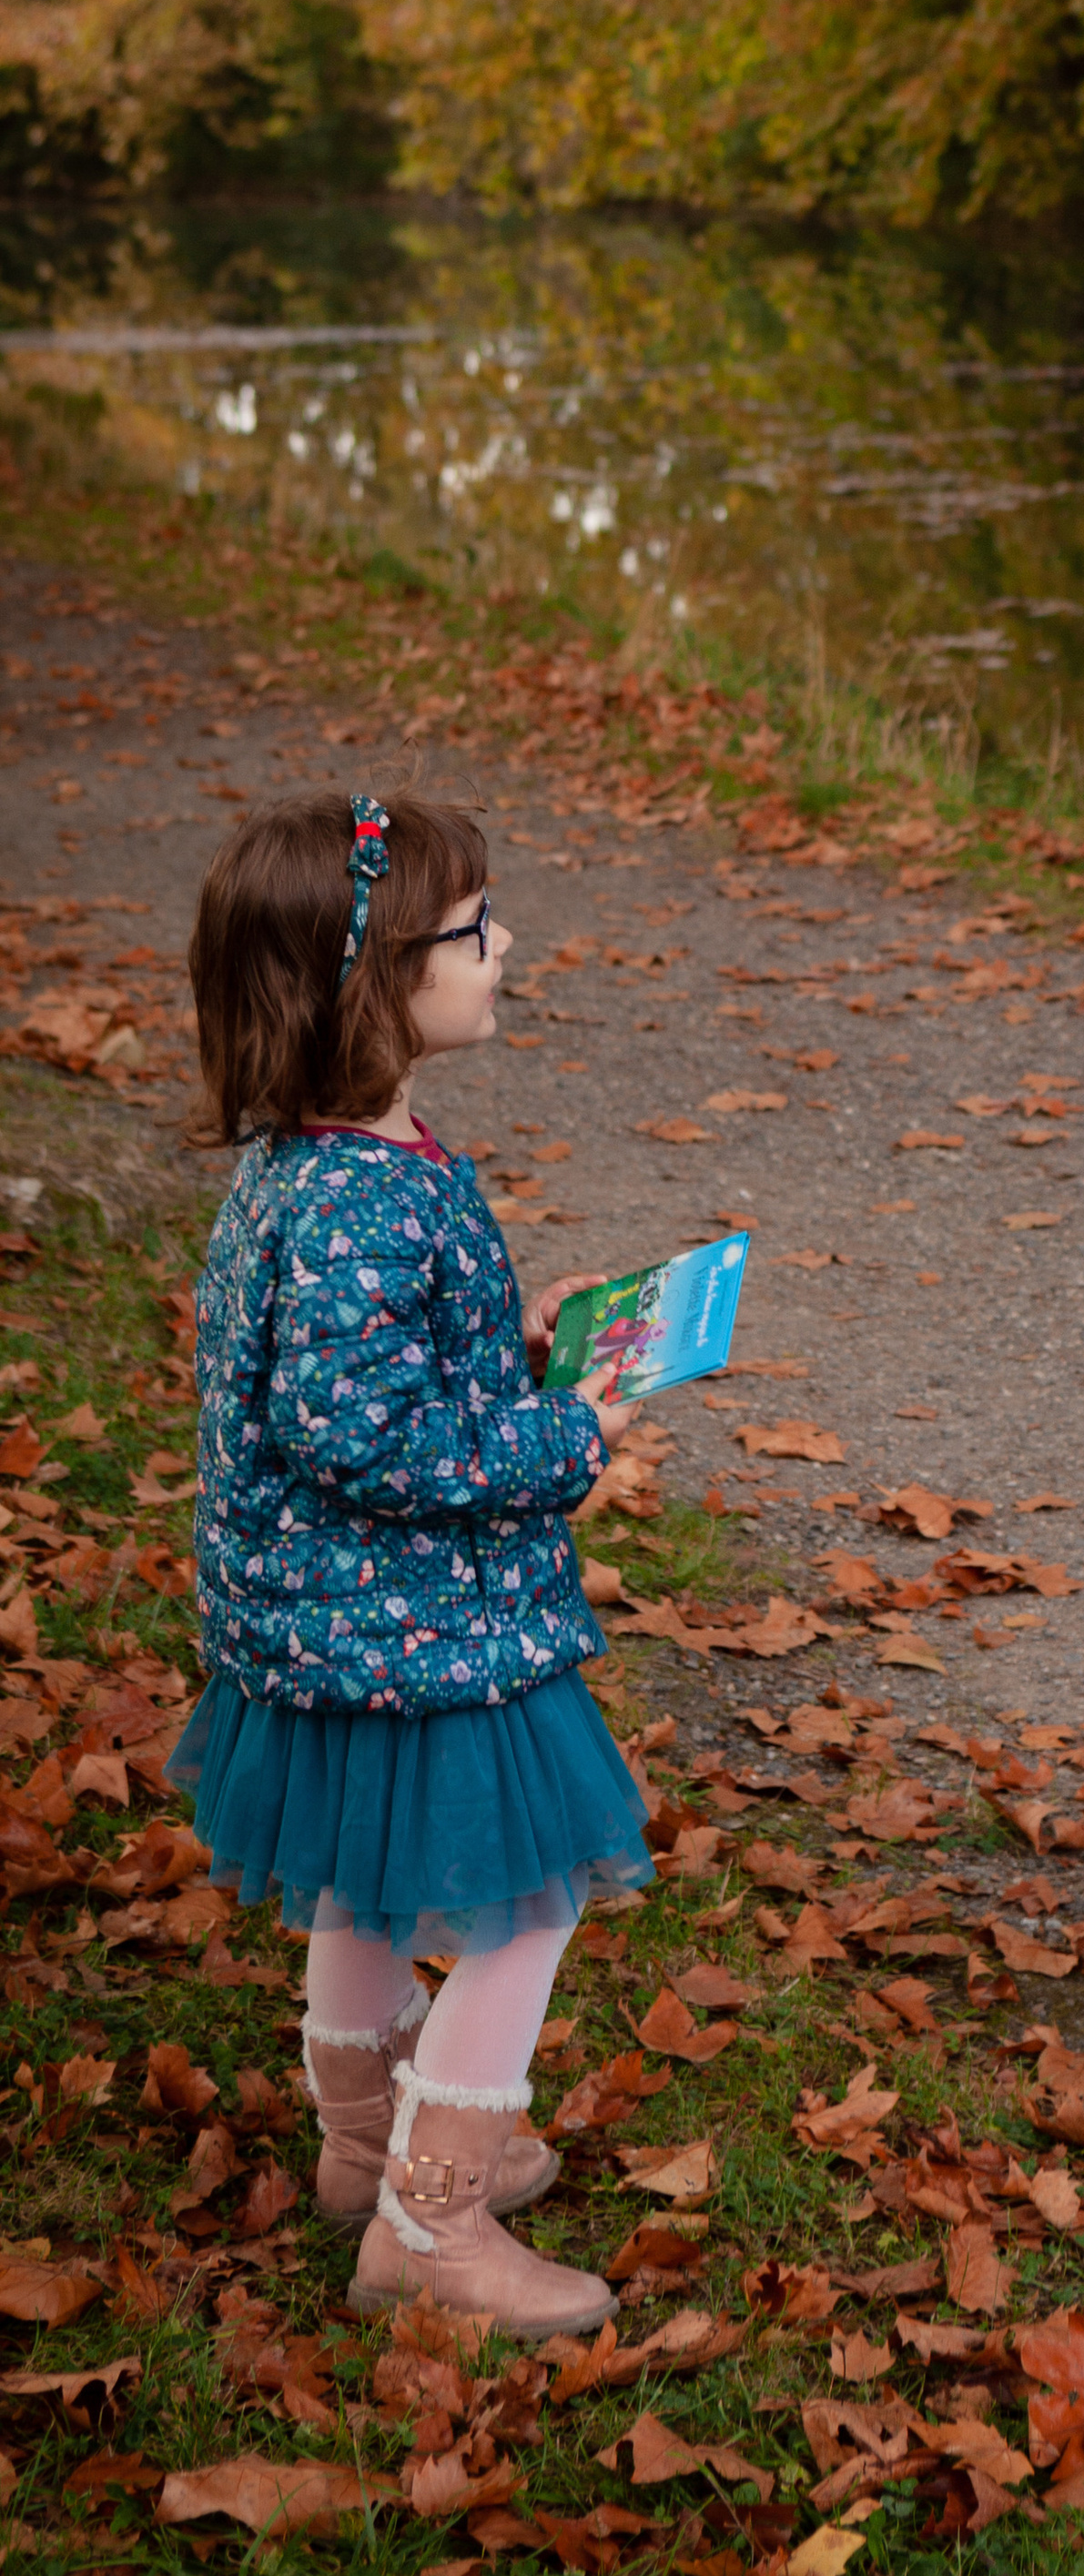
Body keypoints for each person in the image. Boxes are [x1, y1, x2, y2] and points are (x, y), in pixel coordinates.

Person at [170, 787, 650, 2334]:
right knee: (521, 1906)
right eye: (471, 929)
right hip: (407, 1630)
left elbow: (356, 1385)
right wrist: (562, 1438)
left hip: (318, 1622)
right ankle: (429, 2230)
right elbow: (366, 1445)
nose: (504, 945)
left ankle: (365, 2143)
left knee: (365, 1888)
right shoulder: (361, 1199)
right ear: (366, 981)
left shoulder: (319, 1163)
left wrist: (508, 1352)